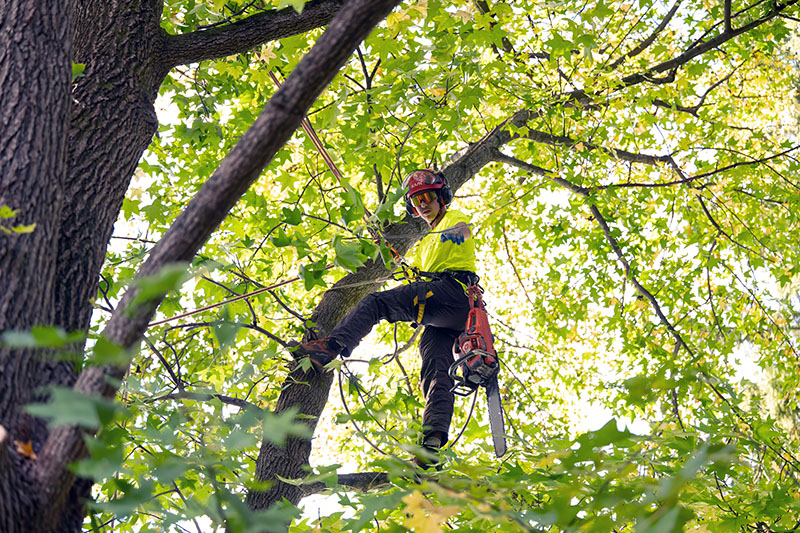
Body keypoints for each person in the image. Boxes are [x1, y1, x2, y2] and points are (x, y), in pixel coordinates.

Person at [293, 169, 478, 463]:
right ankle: (432, 441)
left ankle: (332, 347)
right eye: (416, 202)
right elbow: (415, 276)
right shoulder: (426, 243)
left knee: (377, 303)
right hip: (447, 313)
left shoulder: (453, 220)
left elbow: (465, 229)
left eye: (428, 197)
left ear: (442, 198)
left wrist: (458, 233)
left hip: (452, 292)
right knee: (435, 369)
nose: (423, 205)